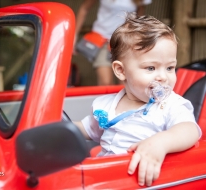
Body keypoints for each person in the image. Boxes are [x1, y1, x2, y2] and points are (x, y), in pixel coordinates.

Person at [74, 13, 201, 187]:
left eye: (170, 68)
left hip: (142, 181)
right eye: (151, 68)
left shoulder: (171, 105)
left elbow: (190, 130)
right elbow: (90, 128)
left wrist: (161, 142)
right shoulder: (106, 104)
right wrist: (63, 128)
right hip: (103, 178)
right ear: (121, 71)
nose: (163, 77)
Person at [74, 0, 152, 85]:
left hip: (125, 42)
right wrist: (74, 36)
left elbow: (139, 19)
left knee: (125, 83)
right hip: (103, 40)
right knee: (105, 82)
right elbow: (84, 8)